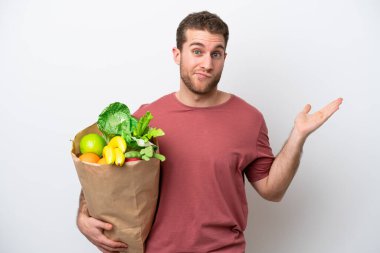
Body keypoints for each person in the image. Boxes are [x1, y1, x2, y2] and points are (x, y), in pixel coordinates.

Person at [76, 11, 343, 253]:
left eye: (216, 53)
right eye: (197, 51)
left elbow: (272, 190)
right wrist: (83, 214)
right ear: (177, 54)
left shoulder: (249, 119)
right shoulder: (145, 120)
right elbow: (102, 170)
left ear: (224, 58)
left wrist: (298, 136)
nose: (207, 63)